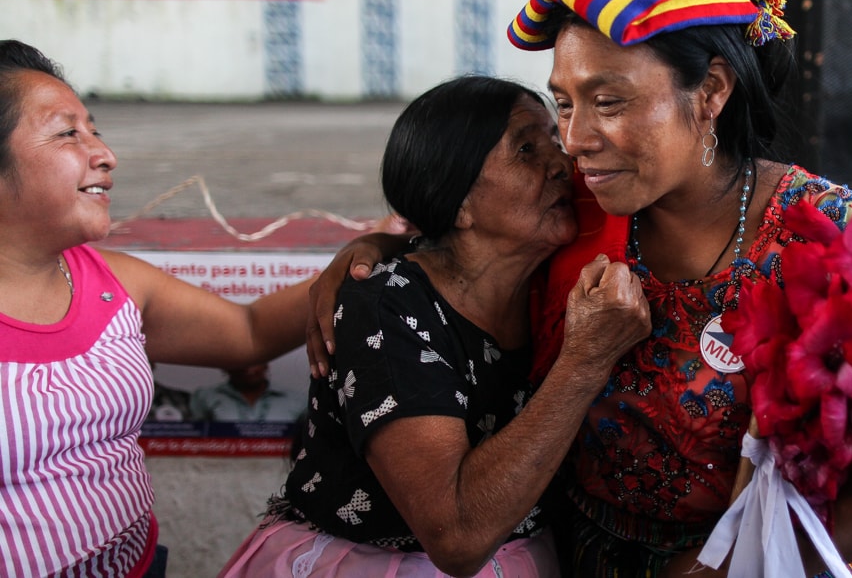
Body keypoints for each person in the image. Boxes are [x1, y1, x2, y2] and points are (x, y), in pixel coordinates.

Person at [307, 0, 852, 577]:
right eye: (564, 103)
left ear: (711, 90)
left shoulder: (831, 233)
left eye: (608, 102)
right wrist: (377, 249)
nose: (574, 140)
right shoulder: (573, 208)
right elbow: (458, 235)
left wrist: (728, 566)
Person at [218, 75, 650, 577]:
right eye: (526, 149)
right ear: (458, 202)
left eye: (554, 140)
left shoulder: (551, 279)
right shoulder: (386, 306)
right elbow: (457, 536)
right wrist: (584, 363)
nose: (562, 162)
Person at [0, 40, 317, 578]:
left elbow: (248, 331)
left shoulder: (113, 283)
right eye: (68, 133)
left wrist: (364, 258)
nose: (105, 154)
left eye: (94, 130)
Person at [190, 362, 306, 423]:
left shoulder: (297, 400)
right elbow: (195, 436)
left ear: (266, 364)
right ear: (226, 367)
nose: (249, 369)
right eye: (240, 362)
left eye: (255, 362)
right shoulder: (205, 397)